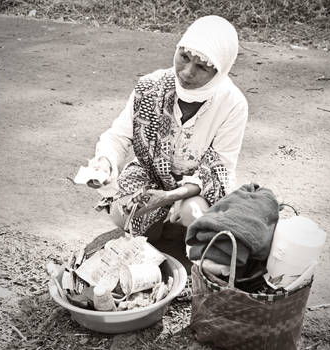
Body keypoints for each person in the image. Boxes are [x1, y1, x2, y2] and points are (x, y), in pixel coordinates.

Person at [84, 15, 248, 238]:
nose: (187, 72)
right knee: (122, 210)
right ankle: (164, 233)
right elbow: (119, 136)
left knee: (194, 213)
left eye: (201, 67)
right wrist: (104, 163)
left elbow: (220, 170)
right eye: (184, 57)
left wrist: (170, 197)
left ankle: (191, 243)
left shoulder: (232, 104)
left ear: (219, 72)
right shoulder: (151, 88)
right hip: (153, 177)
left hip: (197, 188)